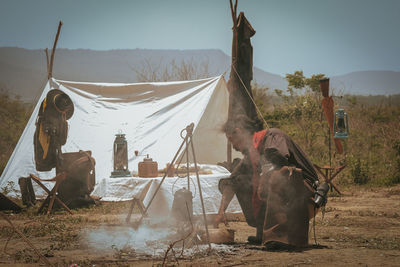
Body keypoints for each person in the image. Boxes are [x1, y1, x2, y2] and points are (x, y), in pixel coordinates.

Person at [215, 115, 322, 249]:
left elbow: (280, 160)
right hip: (289, 197)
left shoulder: (273, 136)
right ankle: (263, 233)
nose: (233, 146)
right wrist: (221, 212)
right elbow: (231, 181)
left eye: (232, 140)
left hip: (306, 196)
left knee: (278, 175)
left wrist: (263, 181)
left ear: (239, 131)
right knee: (241, 179)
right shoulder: (252, 153)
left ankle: (281, 237)